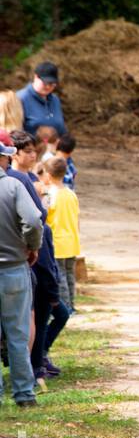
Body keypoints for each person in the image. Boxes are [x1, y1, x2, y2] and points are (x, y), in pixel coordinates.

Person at [10, 131, 65, 380]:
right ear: (13, 153)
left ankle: (36, 362)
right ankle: (30, 371)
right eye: (28, 151)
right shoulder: (17, 181)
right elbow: (34, 219)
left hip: (33, 256)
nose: (33, 155)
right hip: (24, 259)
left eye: (35, 151)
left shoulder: (29, 177)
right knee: (28, 321)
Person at [0, 139, 43, 408]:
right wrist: (32, 246)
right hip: (14, 268)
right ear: (5, 157)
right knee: (17, 335)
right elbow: (34, 220)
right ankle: (24, 394)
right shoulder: (14, 186)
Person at [42, 155, 79, 313]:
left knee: (61, 276)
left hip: (57, 242)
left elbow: (44, 216)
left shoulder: (49, 195)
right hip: (72, 241)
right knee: (70, 275)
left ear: (48, 175)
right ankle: (72, 303)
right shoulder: (71, 194)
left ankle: (66, 307)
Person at [18, 61, 67, 138]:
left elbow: (61, 129)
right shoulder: (20, 98)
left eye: (51, 84)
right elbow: (15, 133)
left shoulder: (55, 99)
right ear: (36, 77)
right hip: (30, 148)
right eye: (45, 83)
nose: (47, 87)